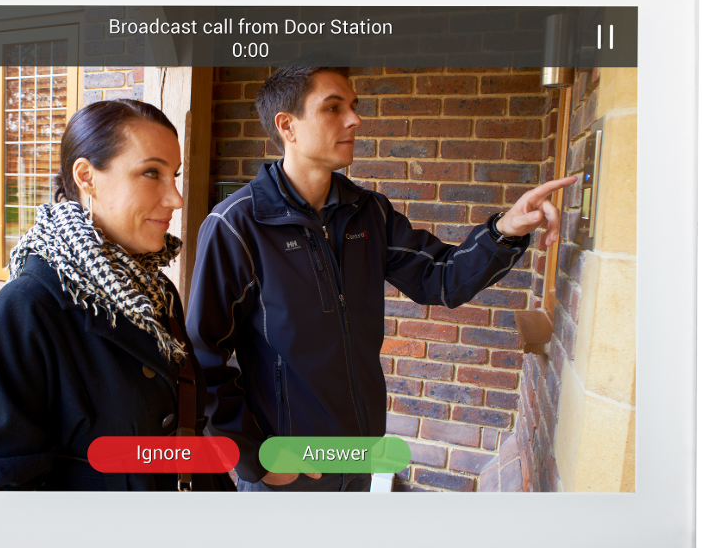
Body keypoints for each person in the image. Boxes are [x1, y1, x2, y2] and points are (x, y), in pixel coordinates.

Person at [185, 65, 577, 492]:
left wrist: (504, 231)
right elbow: (204, 357)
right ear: (288, 126)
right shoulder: (237, 225)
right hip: (287, 467)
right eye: (333, 108)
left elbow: (440, 278)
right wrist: (253, 459)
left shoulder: (368, 212)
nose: (354, 119)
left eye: (353, 107)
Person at [0, 100, 234, 491]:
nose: (176, 198)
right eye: (151, 173)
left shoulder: (156, 291)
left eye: (175, 175)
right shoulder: (25, 312)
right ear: (86, 177)